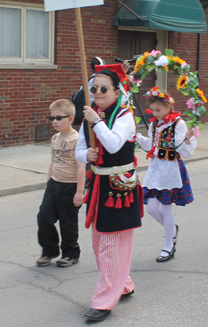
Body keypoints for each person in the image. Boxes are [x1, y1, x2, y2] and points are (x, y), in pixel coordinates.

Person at [76, 63, 142, 322]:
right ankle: (122, 283)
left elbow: (114, 145)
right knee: (100, 242)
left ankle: (103, 301)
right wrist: (87, 153)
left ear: (116, 92)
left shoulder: (124, 115)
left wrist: (96, 121)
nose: (98, 92)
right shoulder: (86, 118)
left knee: (112, 244)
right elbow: (78, 152)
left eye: (104, 88)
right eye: (94, 88)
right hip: (99, 186)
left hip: (119, 186)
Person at [136, 87, 196, 262]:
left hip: (170, 169)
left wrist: (186, 139)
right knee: (152, 209)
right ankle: (172, 230)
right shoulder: (155, 124)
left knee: (165, 208)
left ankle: (168, 245)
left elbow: (184, 150)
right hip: (156, 169)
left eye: (158, 110)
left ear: (169, 106)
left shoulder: (179, 123)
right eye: (153, 110)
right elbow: (152, 145)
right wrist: (139, 139)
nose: (156, 113)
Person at [36, 100, 85, 268]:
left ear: (70, 118)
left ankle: (71, 253)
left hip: (70, 187)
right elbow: (53, 161)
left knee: (67, 222)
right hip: (54, 185)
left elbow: (81, 167)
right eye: (52, 118)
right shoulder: (55, 138)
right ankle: (49, 250)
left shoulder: (77, 140)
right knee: (43, 217)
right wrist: (48, 181)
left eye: (58, 117)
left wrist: (79, 192)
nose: (54, 121)